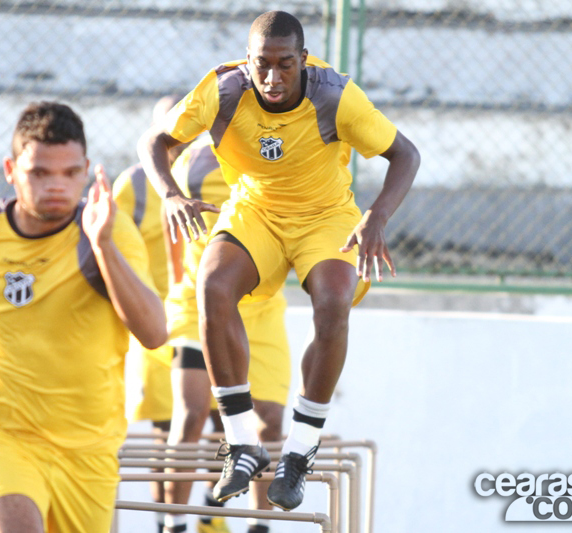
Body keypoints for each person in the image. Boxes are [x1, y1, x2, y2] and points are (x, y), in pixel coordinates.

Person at [138, 10, 420, 511]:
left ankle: (301, 446)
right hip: (255, 213)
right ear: (247, 61)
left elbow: (406, 154)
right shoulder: (223, 90)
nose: (271, 77)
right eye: (261, 64)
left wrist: (376, 216)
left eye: (284, 64)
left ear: (303, 60)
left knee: (333, 301)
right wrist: (170, 193)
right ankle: (242, 440)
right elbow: (155, 141)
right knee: (212, 287)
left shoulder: (334, 95)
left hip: (325, 216)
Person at [0, 101, 167, 532]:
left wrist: (103, 248)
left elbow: (154, 333)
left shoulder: (107, 230)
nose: (56, 186)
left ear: (86, 170)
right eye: (39, 173)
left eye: (69, 173)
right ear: (10, 169)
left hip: (87, 449)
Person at [162, 136, 290, 533]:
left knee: (269, 420)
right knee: (192, 412)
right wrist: (176, 285)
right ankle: (174, 525)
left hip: (261, 304)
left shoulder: (285, 151)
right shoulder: (194, 160)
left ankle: (257, 526)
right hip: (201, 301)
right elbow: (174, 230)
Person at [113, 95, 183, 533]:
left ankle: (205, 519)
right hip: (155, 323)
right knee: (166, 431)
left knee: (213, 428)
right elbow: (113, 249)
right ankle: (167, 524)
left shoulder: (214, 171)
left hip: (201, 316)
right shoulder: (134, 184)